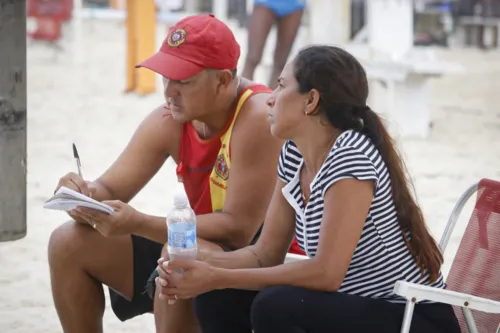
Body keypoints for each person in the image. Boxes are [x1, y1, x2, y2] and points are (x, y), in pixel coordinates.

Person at [155, 45, 462, 333]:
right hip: (356, 305)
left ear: (311, 101)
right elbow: (265, 254)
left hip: (412, 317)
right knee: (218, 296)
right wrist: (198, 263)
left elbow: (327, 274)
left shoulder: (350, 156)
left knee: (275, 306)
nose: (270, 98)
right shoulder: (293, 154)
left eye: (281, 86)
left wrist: (218, 276)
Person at [47, 14, 285, 333]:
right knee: (67, 243)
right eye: (165, 77)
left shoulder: (255, 115)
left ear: (223, 81)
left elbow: (237, 229)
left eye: (183, 81)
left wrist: (138, 222)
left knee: (180, 255)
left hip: (255, 263)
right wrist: (79, 195)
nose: (169, 92)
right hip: (196, 243)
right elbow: (107, 188)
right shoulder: (171, 119)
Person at [241, 0, 305, 89]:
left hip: (294, 4)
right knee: (253, 58)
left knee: (281, 64)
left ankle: (271, 101)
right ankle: (241, 98)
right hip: (265, 2)